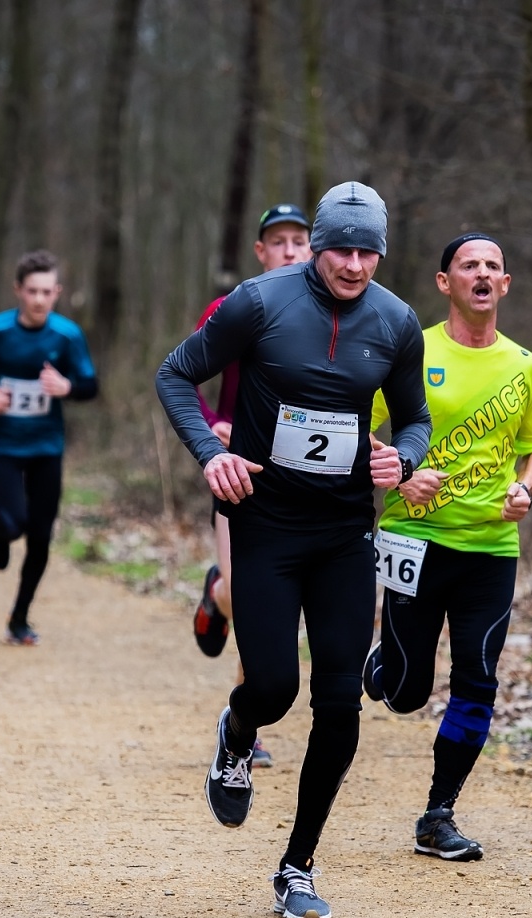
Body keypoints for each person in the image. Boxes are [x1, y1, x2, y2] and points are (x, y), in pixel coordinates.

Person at [157, 182, 431, 918]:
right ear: (316, 247)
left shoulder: (397, 322)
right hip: (266, 525)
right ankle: (237, 731)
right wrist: (210, 454)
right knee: (274, 687)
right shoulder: (257, 302)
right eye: (341, 250)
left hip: (344, 533)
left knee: (340, 703)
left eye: (367, 252)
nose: (353, 265)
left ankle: (297, 866)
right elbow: (175, 374)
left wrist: (402, 458)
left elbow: (415, 420)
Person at [362, 233, 532, 862]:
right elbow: (358, 426)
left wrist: (525, 489)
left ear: (505, 284)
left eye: (492, 266)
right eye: (468, 265)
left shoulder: (525, 367)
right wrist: (399, 472)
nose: (482, 273)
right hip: (414, 536)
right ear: (445, 282)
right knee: (407, 693)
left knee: (478, 677)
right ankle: (384, 665)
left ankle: (438, 813)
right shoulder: (411, 350)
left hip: (491, 547)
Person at [191, 201, 313, 768]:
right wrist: (211, 428)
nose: (289, 251)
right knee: (249, 595)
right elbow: (184, 374)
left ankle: (218, 593)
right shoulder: (232, 308)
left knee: (270, 597)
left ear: (313, 249)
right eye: (278, 242)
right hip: (236, 468)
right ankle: (249, 724)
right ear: (261, 251)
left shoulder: (330, 314)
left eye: (299, 241)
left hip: (300, 475)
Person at [0, 250, 99, 645]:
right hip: (4, 443)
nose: (39, 299)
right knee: (13, 522)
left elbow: (90, 386)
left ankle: (19, 617)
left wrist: (67, 387)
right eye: (32, 291)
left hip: (47, 446)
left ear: (57, 293)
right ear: (18, 290)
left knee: (41, 536)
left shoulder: (67, 335)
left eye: (47, 292)